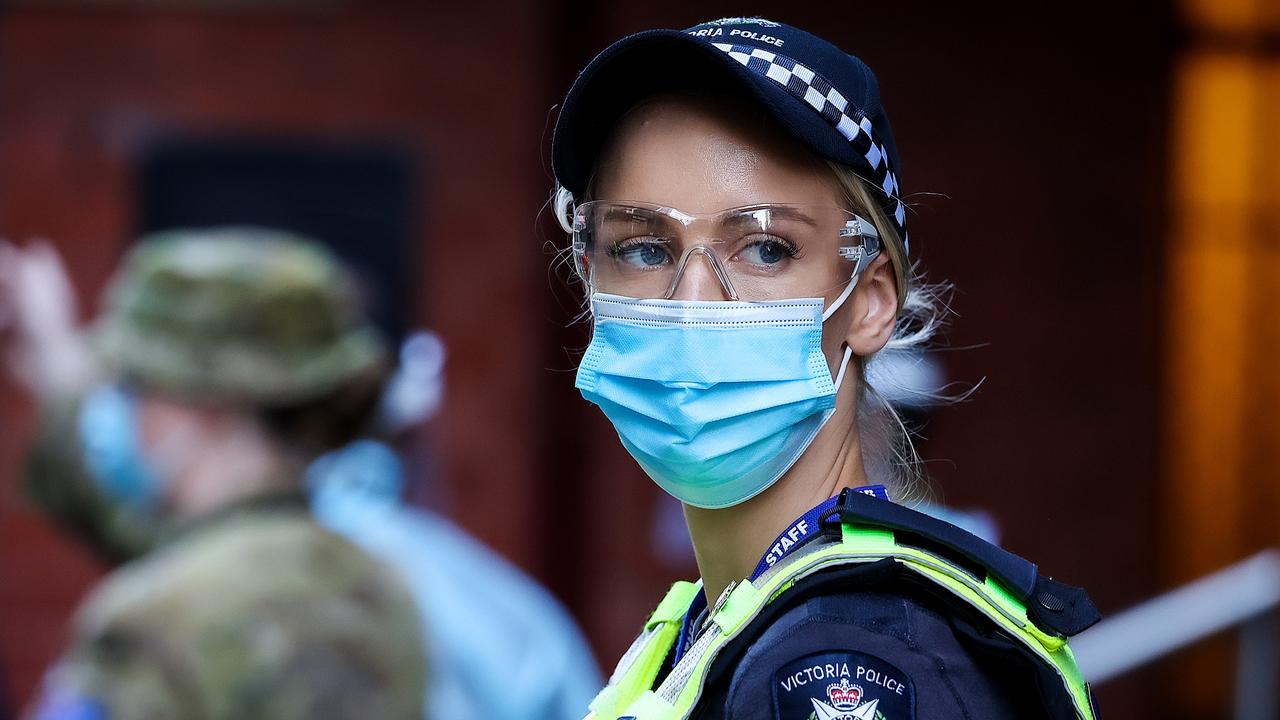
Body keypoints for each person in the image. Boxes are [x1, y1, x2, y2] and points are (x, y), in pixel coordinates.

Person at [549, 18, 1099, 719]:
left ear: (870, 305)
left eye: (767, 248)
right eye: (645, 248)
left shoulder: (847, 667)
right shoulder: (715, 627)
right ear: (590, 274)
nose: (691, 303)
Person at [1, 229, 426, 719]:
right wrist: (51, 362)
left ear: (203, 405)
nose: (120, 411)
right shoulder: (381, 594)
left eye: (133, 386)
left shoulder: (150, 624)